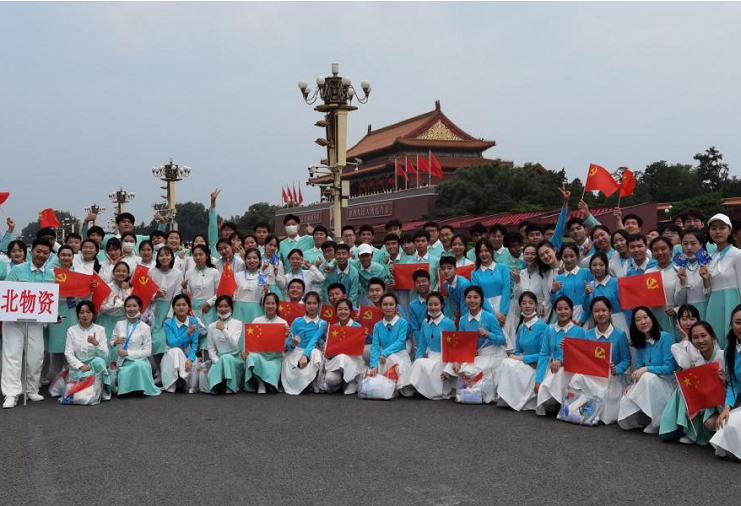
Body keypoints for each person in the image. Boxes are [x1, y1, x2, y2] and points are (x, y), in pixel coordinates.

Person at [2, 239, 56, 409]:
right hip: (14, 322)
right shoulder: (17, 270)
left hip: (36, 321)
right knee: (12, 355)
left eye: (45, 253)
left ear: (48, 255)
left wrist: (55, 315)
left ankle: (31, 388)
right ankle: (11, 393)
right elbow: (6, 294)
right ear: (32, 251)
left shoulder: (50, 274)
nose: (41, 255)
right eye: (38, 251)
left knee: (36, 355)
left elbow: (50, 300)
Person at [660, 321, 725, 445]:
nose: (700, 340)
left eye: (703, 335)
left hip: (730, 404)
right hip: (714, 406)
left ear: (712, 336)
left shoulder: (723, 356)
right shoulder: (699, 363)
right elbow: (705, 394)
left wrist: (726, 381)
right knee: (709, 422)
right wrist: (697, 409)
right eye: (695, 337)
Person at [572, 297, 632, 424]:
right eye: (596, 311)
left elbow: (626, 359)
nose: (600, 314)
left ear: (610, 311)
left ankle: (590, 414)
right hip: (592, 374)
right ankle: (577, 411)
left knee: (600, 388)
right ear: (592, 314)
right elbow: (583, 357)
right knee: (577, 378)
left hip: (611, 376)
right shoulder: (587, 334)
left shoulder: (620, 334)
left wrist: (617, 369)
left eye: (603, 310)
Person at [618, 307, 677, 433]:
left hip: (666, 384)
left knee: (647, 376)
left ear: (652, 318)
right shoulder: (640, 343)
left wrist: (647, 369)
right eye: (638, 320)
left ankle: (657, 421)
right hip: (648, 383)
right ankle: (641, 419)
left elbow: (670, 367)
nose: (643, 322)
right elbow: (639, 368)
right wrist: (633, 384)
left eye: (645, 317)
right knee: (627, 396)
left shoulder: (665, 337)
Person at [444, 285, 507, 403]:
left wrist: (488, 334)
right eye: (469, 297)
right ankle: (471, 396)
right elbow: (461, 343)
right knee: (464, 371)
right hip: (471, 355)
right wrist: (457, 361)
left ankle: (479, 395)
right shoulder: (463, 320)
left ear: (481, 299)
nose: (472, 300)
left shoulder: (489, 317)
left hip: (490, 353)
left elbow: (502, 340)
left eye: (476, 297)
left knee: (475, 373)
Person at [398, 292, 457, 400]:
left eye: (436, 304)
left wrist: (449, 370)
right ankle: (414, 386)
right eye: (430, 304)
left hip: (443, 360)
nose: (433, 307)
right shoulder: (425, 322)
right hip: (430, 357)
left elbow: (454, 349)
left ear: (442, 305)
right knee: (418, 362)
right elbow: (421, 346)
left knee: (420, 363)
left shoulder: (449, 323)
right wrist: (416, 360)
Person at [497, 291, 548, 411]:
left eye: (531, 303)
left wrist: (523, 358)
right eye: (524, 303)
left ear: (536, 305)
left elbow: (545, 354)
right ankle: (510, 397)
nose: (527, 306)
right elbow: (519, 350)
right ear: (520, 306)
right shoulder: (521, 326)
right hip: (525, 362)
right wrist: (518, 356)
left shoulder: (542, 327)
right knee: (506, 361)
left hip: (537, 365)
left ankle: (516, 399)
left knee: (508, 363)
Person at [534, 296, 586, 415]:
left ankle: (563, 404)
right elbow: (544, 354)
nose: (563, 312)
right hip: (552, 366)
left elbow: (582, 355)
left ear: (572, 310)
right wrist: (538, 380)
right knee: (545, 390)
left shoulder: (579, 331)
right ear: (555, 311)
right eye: (559, 309)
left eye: (566, 308)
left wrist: (561, 361)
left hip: (571, 368)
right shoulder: (549, 329)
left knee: (559, 373)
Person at [109, 295, 161, 397]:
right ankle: (129, 389)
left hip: (140, 359)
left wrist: (128, 352)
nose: (131, 309)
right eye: (128, 306)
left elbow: (147, 352)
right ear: (125, 308)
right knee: (125, 372)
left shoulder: (145, 327)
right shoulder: (120, 324)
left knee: (139, 365)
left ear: (140, 308)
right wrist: (116, 341)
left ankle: (138, 388)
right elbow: (111, 342)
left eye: (134, 306)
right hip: (124, 360)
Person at [44, 245, 81, 383]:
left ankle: (71, 376)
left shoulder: (78, 272)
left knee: (72, 343)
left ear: (73, 257)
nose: (66, 257)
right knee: (56, 344)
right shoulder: (50, 272)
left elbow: (83, 294)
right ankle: (57, 377)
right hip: (56, 309)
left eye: (69, 255)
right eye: (63, 255)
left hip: (73, 310)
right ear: (58, 256)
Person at [63, 300, 111, 402]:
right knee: (80, 394)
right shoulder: (71, 330)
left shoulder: (100, 329)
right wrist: (80, 365)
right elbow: (68, 353)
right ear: (77, 315)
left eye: (88, 312)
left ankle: (104, 389)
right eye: (81, 312)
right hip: (78, 366)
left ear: (94, 314)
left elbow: (106, 354)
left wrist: (96, 343)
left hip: (95, 365)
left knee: (99, 361)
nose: (85, 315)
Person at [705, 213, 741, 348]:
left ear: (730, 230)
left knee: (732, 340)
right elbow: (707, 290)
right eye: (713, 228)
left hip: (732, 302)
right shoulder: (710, 258)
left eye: (722, 228)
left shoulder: (737, 254)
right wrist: (705, 279)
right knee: (716, 340)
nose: (718, 232)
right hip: (714, 303)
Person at [710, 305, 741, 459]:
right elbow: (734, 384)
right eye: (738, 322)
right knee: (725, 423)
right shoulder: (729, 351)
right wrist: (726, 409)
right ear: (731, 324)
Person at [281, 291, 326, 395]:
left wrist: (305, 355)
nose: (312, 306)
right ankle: (302, 384)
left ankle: (313, 381)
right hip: (296, 351)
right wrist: (292, 344)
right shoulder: (297, 321)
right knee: (288, 360)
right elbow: (287, 345)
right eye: (309, 303)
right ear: (304, 304)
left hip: (311, 350)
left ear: (319, 305)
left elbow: (314, 340)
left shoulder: (322, 323)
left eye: (314, 303)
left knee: (316, 353)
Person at [149, 246, 184, 378]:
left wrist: (170, 315)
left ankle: (167, 372)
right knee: (155, 341)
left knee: (166, 341)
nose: (164, 258)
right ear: (157, 257)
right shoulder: (152, 272)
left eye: (167, 255)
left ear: (172, 257)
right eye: (161, 255)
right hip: (155, 310)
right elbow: (147, 292)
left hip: (171, 309)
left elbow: (177, 295)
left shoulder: (178, 274)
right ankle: (158, 370)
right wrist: (155, 296)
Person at [505, 244, 549, 348]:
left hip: (541, 312)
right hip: (525, 312)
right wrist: (517, 282)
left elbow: (547, 295)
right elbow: (518, 296)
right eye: (526, 254)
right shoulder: (522, 273)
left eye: (533, 254)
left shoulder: (543, 273)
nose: (529, 256)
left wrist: (543, 308)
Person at [161, 295, 207, 393]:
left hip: (187, 354)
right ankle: (173, 383)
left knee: (193, 363)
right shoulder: (168, 323)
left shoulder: (193, 321)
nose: (181, 307)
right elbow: (172, 343)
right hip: (171, 354)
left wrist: (190, 359)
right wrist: (187, 333)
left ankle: (183, 381)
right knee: (176, 351)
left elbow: (195, 344)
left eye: (184, 305)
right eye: (178, 305)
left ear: (188, 307)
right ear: (173, 308)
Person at [243, 293, 287, 393]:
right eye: (267, 303)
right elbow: (250, 341)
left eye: (273, 303)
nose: (270, 306)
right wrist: (245, 351)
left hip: (275, 358)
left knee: (272, 387)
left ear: (277, 305)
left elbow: (286, 347)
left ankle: (270, 382)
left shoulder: (283, 323)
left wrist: (286, 336)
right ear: (263, 305)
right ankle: (260, 382)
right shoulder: (257, 320)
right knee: (251, 357)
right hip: (260, 356)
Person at [321, 298, 366, 395]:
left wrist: (364, 335)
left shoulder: (357, 326)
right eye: (340, 309)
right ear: (336, 312)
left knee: (343, 356)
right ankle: (340, 383)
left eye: (346, 309)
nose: (343, 312)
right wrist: (327, 352)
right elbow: (329, 349)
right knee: (330, 379)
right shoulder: (333, 327)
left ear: (350, 312)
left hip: (353, 361)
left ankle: (351, 381)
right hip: (337, 362)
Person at [367, 294, 412, 381]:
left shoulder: (402, 323)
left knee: (405, 390)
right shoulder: (377, 326)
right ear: (381, 307)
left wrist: (384, 353)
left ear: (396, 306)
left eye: (391, 304)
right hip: (383, 359)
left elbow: (400, 342)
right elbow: (375, 346)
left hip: (400, 356)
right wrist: (374, 365)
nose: (388, 307)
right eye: (385, 304)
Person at [206, 295, 245, 394]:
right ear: (216, 308)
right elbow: (211, 348)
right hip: (219, 359)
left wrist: (223, 330)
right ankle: (221, 383)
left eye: (226, 306)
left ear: (231, 308)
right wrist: (217, 361)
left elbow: (234, 345)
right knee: (224, 359)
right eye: (220, 306)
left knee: (226, 358)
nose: (223, 309)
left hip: (235, 358)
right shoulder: (211, 326)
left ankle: (227, 385)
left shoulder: (238, 323)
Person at [646, 237, 682, 341]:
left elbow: (686, 296)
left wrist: (676, 310)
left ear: (670, 249)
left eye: (663, 249)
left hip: (675, 317)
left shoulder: (679, 270)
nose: (660, 252)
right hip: (655, 317)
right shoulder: (648, 273)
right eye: (655, 250)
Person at [582, 253, 627, 333]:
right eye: (594, 265)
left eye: (601, 265)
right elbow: (586, 308)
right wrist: (586, 294)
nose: (598, 268)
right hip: (598, 322)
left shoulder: (616, 283)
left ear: (606, 266)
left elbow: (625, 304)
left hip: (618, 320)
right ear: (590, 267)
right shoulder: (590, 285)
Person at [471, 238, 511, 328]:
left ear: (491, 251)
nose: (484, 254)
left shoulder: (502, 268)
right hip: (486, 310)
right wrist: (493, 314)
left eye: (486, 250)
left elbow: (506, 290)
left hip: (505, 308)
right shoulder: (474, 274)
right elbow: (479, 295)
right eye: (480, 251)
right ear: (477, 254)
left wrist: (503, 313)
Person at [183, 244, 220, 342]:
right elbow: (188, 294)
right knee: (196, 337)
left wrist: (209, 303)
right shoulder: (188, 273)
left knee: (208, 338)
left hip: (209, 309)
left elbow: (219, 292)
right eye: (195, 255)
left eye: (201, 255)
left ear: (207, 255)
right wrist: (183, 288)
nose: (198, 257)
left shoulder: (214, 272)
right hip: (194, 309)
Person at [674, 228, 711, 320]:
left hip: (708, 310)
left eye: (693, 243)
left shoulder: (709, 264)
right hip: (689, 315)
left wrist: (706, 280)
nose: (689, 247)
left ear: (701, 244)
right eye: (685, 244)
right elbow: (679, 301)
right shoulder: (680, 267)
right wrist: (682, 283)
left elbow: (712, 294)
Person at [551, 243, 591, 323]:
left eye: (572, 256)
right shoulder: (558, 278)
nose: (568, 260)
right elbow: (556, 303)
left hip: (586, 314)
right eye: (565, 256)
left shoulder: (586, 273)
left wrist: (582, 320)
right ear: (561, 257)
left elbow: (590, 297)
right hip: (566, 315)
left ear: (577, 256)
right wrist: (553, 292)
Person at [98, 261, 132, 340]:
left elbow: (131, 306)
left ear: (128, 274)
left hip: (123, 321)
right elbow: (100, 309)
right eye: (118, 271)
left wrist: (125, 291)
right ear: (113, 272)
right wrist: (111, 304)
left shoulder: (130, 289)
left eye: (124, 271)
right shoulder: (107, 287)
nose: (121, 273)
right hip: (107, 321)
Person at [234, 248, 267, 325]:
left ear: (259, 260)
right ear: (245, 260)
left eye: (255, 258)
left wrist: (267, 291)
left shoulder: (263, 276)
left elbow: (264, 296)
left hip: (255, 310)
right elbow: (233, 293)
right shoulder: (238, 275)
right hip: (239, 310)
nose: (252, 260)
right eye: (249, 258)